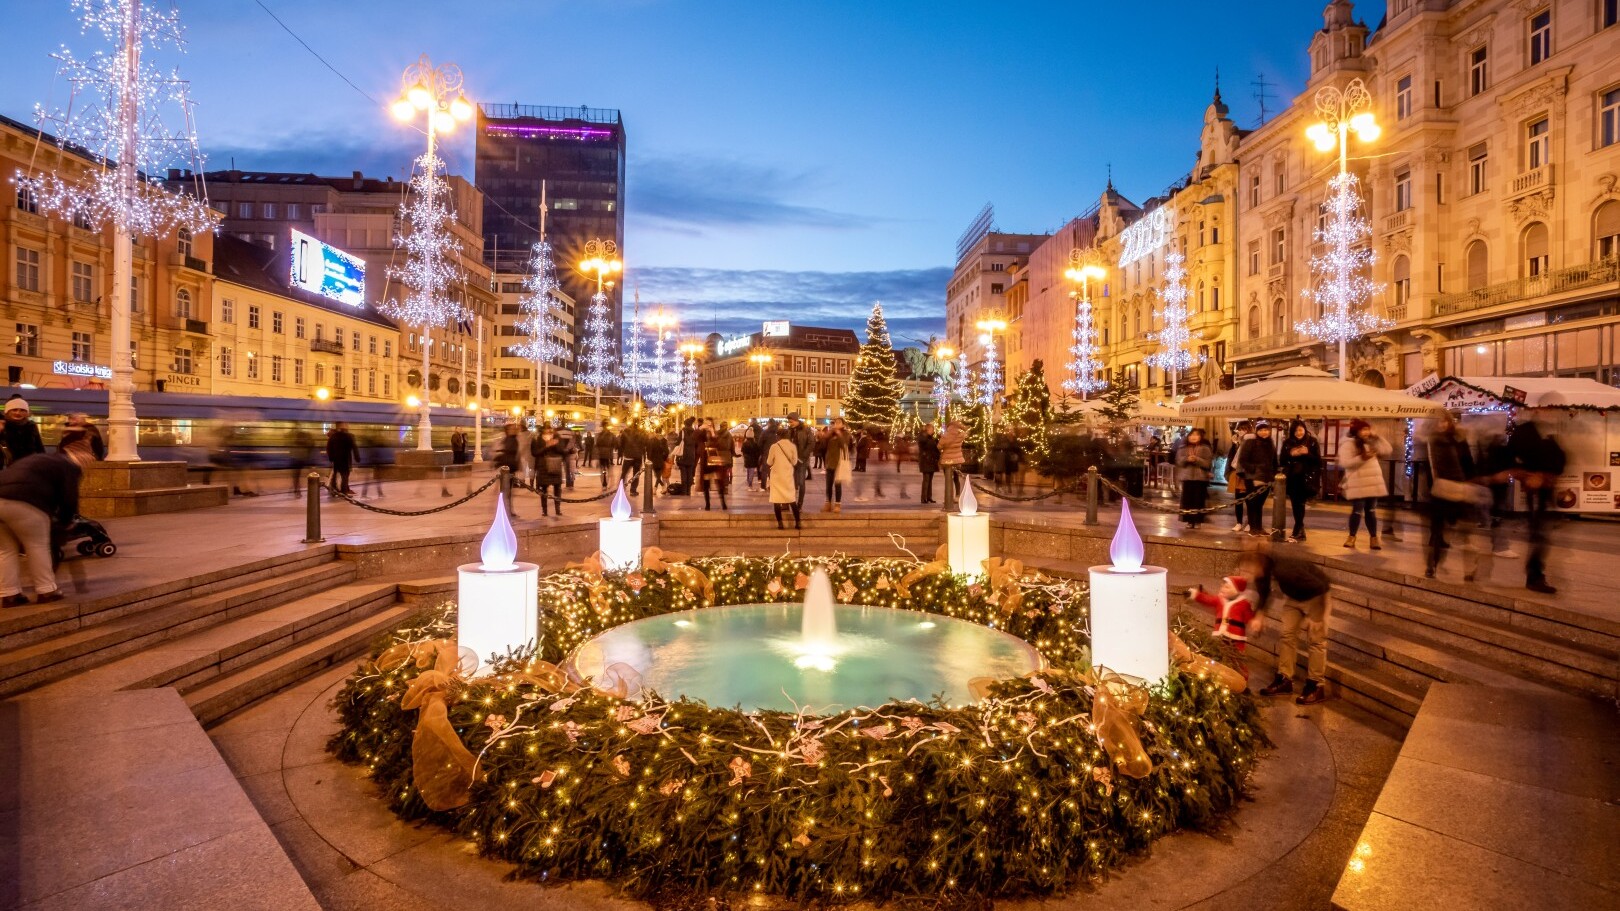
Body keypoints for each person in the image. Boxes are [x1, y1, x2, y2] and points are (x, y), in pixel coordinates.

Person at [0, 428, 94, 606]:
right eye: (88, 454)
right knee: (37, 546)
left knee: (5, 550)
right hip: (26, 502)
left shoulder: (42, 459)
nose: (90, 458)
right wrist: (66, 522)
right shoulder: (69, 465)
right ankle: (46, 590)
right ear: (78, 453)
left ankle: (9, 594)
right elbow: (69, 498)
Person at [1248, 543, 1333, 705]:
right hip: (1295, 597)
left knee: (1316, 640)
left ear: (1260, 564)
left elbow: (1321, 586)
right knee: (1287, 635)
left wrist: (1318, 617)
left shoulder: (1284, 570)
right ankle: (1284, 679)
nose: (1249, 574)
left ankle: (1316, 685)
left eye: (1250, 569)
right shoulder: (1263, 571)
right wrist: (1260, 613)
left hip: (1317, 595)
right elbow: (1264, 591)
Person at [1508, 419, 1563, 594]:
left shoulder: (1547, 430)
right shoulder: (1525, 431)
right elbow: (1511, 458)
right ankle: (1534, 576)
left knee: (1541, 534)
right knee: (1539, 534)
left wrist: (1550, 473)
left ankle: (1536, 574)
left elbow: (1559, 458)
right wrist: (1527, 475)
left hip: (1547, 489)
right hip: (1536, 490)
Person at [1423, 412, 1481, 578]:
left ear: (1449, 422)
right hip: (1440, 491)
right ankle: (1431, 565)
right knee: (1437, 532)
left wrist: (1470, 483)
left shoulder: (1458, 439)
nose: (1441, 425)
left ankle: (1469, 568)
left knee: (1464, 531)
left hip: (1459, 489)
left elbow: (1468, 463)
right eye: (1437, 422)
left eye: (1444, 421)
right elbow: (1430, 468)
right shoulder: (1431, 441)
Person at [1184, 574, 1262, 682]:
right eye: (1222, 586)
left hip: (1236, 638)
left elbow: (1249, 617)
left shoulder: (1244, 604)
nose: (1222, 589)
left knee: (1237, 659)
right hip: (1220, 636)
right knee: (1218, 656)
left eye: (1227, 587)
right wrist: (1195, 594)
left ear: (1236, 590)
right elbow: (1207, 599)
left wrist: (1254, 623)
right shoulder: (1219, 600)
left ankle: (1242, 681)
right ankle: (1219, 678)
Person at [1339, 419, 1391, 550]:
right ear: (1357, 431)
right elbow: (1345, 462)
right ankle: (1351, 537)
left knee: (1371, 511)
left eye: (1367, 429)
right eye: (1363, 429)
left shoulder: (1372, 442)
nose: (1366, 432)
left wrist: (1377, 437)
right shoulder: (1349, 444)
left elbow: (1387, 450)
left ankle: (1374, 538)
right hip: (1358, 483)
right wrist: (1362, 458)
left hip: (1373, 482)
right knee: (1357, 511)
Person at [1279, 420, 1321, 542]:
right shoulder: (1288, 443)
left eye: (1301, 429)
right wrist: (1292, 454)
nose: (1298, 432)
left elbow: (1318, 461)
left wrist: (1306, 453)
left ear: (1305, 429)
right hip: (1292, 478)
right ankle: (1299, 530)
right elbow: (1282, 460)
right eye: (1296, 430)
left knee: (1300, 504)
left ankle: (1298, 529)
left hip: (1306, 478)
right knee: (1295, 504)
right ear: (1292, 431)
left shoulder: (1312, 442)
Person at [1235, 420, 1276, 535]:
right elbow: (1243, 460)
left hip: (1266, 477)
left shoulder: (1270, 443)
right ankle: (1253, 527)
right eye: (1261, 430)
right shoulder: (1250, 442)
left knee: (1260, 504)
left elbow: (1274, 461)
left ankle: (1259, 527)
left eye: (1266, 430)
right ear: (1257, 431)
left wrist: (1274, 474)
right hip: (1252, 477)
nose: (1264, 432)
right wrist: (1253, 469)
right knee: (1253, 502)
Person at [1176, 427, 1215, 527]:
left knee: (1198, 500)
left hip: (1200, 478)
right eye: (1192, 435)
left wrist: (1197, 459)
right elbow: (1179, 461)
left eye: (1196, 435)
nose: (1194, 437)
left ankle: (1198, 521)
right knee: (1187, 500)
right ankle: (1189, 521)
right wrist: (1186, 459)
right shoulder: (1183, 448)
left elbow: (1208, 463)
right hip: (1187, 477)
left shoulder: (1205, 448)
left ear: (1200, 437)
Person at [766, 427, 801, 530]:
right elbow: (794, 462)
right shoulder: (792, 446)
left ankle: (780, 523)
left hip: (776, 476)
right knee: (791, 499)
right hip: (788, 476)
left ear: (778, 435)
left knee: (776, 500)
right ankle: (798, 522)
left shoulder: (774, 446)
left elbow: (769, 462)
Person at [2, 396, 46, 468]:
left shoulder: (31, 426)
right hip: (8, 468)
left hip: (29, 466)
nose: (18, 413)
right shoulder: (3, 426)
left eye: (22, 410)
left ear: (27, 413)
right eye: (14, 410)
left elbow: (39, 447)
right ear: (7, 412)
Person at [1225, 420, 1253, 531]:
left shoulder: (1251, 442)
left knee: (1249, 500)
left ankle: (1250, 522)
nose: (1242, 432)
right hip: (1237, 473)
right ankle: (1239, 522)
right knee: (1238, 500)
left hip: (1247, 475)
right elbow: (1231, 458)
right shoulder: (1236, 443)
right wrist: (1235, 444)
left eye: (1245, 429)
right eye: (1240, 429)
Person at [532, 428, 566, 517]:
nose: (548, 433)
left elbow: (562, 451)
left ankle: (558, 509)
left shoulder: (558, 438)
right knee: (543, 489)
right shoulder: (537, 439)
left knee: (557, 488)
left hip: (555, 466)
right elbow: (535, 453)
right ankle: (544, 510)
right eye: (546, 431)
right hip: (543, 467)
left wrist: (555, 444)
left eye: (550, 431)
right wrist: (546, 446)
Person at [698, 419, 729, 511]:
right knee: (706, 484)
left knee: (720, 484)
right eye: (706, 423)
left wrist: (712, 433)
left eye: (710, 424)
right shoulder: (701, 434)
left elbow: (719, 444)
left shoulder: (715, 434)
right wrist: (700, 429)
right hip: (705, 463)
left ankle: (723, 503)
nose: (708, 425)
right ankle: (707, 504)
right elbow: (694, 438)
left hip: (715, 462)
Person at [823, 418, 851, 513]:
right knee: (828, 485)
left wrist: (839, 434)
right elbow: (823, 445)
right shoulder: (831, 434)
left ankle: (837, 504)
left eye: (839, 422)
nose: (836, 424)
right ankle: (828, 504)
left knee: (837, 485)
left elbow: (844, 445)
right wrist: (827, 435)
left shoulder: (846, 433)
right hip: (829, 462)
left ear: (843, 424)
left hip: (839, 462)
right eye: (835, 423)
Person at [786, 413, 814, 509]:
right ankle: (791, 502)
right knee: (791, 482)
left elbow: (811, 443)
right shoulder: (789, 430)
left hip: (802, 460)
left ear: (796, 420)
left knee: (801, 482)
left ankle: (800, 504)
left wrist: (804, 456)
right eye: (789, 422)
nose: (790, 423)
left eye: (791, 421)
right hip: (791, 460)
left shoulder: (806, 429)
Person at [325, 422, 360, 495]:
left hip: (336, 460)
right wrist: (357, 458)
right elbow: (354, 447)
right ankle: (344, 491)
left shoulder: (333, 436)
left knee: (335, 474)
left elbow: (328, 448)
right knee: (345, 476)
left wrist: (331, 458)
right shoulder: (349, 436)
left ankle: (334, 489)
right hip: (345, 459)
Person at [939, 419, 967, 509]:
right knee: (956, 478)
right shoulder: (960, 435)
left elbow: (939, 446)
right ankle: (957, 495)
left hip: (947, 459)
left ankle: (948, 497)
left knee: (948, 479)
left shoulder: (946, 435)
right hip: (957, 459)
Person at [916, 424, 941, 504]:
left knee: (930, 480)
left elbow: (935, 448)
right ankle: (923, 498)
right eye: (932, 429)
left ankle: (929, 497)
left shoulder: (931, 438)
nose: (933, 431)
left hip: (932, 461)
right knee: (926, 480)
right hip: (926, 461)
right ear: (928, 430)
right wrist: (926, 433)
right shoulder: (922, 437)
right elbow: (922, 441)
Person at [620, 425, 646, 495]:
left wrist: (625, 451)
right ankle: (633, 490)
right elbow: (644, 444)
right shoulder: (641, 432)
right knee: (636, 474)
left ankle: (621, 489)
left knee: (624, 473)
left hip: (628, 456)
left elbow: (621, 443)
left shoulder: (626, 432)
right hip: (638, 456)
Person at [677, 417, 699, 496]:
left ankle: (684, 491)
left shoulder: (682, 432)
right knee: (690, 473)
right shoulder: (694, 433)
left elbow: (678, 442)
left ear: (685, 424)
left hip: (683, 455)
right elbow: (696, 444)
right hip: (691, 455)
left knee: (683, 473)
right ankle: (688, 491)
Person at [741, 425, 762, 489]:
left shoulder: (744, 443)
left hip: (747, 459)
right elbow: (757, 452)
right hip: (753, 459)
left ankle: (748, 481)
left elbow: (742, 451)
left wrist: (744, 456)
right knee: (751, 471)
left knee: (748, 471)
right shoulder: (755, 443)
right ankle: (750, 483)